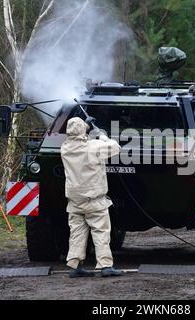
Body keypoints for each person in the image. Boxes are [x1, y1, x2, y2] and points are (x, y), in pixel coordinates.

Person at [61, 116, 123, 278]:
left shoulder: (65, 148)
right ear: (84, 131)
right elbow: (115, 147)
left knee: (77, 233)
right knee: (101, 232)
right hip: (95, 201)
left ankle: (75, 266)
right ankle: (105, 266)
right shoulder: (94, 147)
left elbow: (77, 139)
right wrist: (102, 135)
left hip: (75, 201)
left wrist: (86, 126)